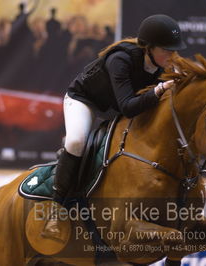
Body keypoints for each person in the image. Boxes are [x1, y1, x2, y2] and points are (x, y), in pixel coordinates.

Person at [42, 14, 187, 240]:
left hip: (114, 108)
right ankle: (57, 208)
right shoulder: (120, 59)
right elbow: (129, 107)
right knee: (76, 141)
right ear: (148, 48)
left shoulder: (164, 64)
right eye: (166, 50)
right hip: (85, 100)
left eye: (173, 50)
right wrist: (159, 90)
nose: (171, 55)